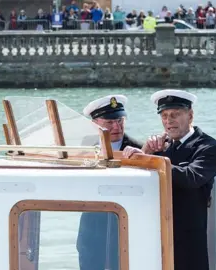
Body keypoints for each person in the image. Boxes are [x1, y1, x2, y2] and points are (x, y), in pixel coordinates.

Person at [123, 89, 216, 270]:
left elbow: (191, 177)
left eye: (175, 115)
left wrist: (149, 159)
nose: (169, 121)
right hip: (154, 234)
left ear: (190, 115)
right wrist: (146, 150)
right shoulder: (160, 146)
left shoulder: (209, 147)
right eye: (164, 116)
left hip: (188, 240)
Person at [77, 94, 142, 270]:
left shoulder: (139, 149)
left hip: (124, 225)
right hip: (92, 227)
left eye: (120, 121)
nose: (116, 127)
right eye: (109, 122)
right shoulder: (86, 145)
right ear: (95, 124)